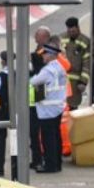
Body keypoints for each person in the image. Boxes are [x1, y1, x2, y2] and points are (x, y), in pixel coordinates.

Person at [30, 37, 67, 173]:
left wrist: (30, 74)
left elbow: (33, 81)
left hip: (47, 109)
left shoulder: (47, 70)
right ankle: (57, 164)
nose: (43, 57)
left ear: (50, 55)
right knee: (56, 137)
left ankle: (50, 165)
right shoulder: (60, 67)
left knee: (48, 139)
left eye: (44, 54)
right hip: (58, 107)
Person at [29, 27, 51, 168]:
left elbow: (40, 69)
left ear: (45, 37)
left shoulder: (47, 53)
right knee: (33, 131)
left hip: (41, 93)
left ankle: (41, 158)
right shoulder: (37, 52)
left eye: (38, 35)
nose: (35, 38)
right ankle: (36, 158)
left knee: (40, 130)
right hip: (34, 93)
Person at [60, 17, 91, 108]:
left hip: (75, 82)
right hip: (62, 80)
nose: (71, 33)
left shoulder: (85, 41)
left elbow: (87, 63)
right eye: (69, 31)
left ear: (78, 28)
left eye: (73, 31)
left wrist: (83, 82)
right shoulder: (62, 38)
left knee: (73, 106)